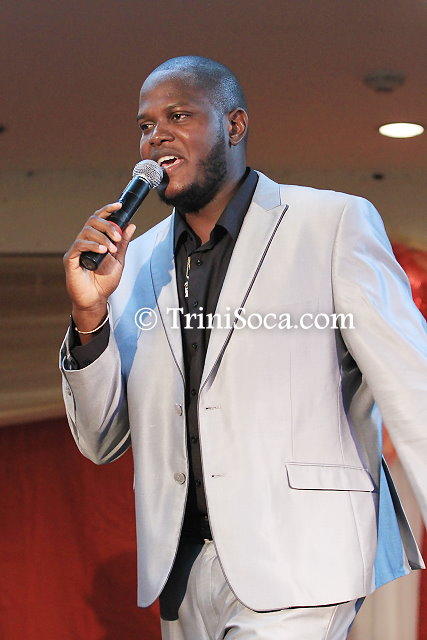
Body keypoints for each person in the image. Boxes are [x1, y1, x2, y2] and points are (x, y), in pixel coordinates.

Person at [60, 56, 427, 639]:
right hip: (182, 571)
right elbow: (100, 439)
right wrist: (89, 316)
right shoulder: (134, 262)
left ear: (234, 126)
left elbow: (413, 387)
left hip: (302, 558)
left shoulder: (331, 223)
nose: (157, 135)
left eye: (179, 115)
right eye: (146, 125)